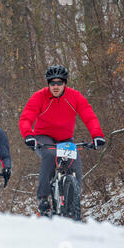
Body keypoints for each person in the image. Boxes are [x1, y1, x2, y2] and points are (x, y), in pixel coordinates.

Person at [19, 65, 106, 216]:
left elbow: (89, 116)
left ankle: (73, 204)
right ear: (48, 84)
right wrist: (28, 135)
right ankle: (43, 198)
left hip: (65, 139)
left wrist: (97, 135)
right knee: (50, 156)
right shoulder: (39, 97)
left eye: (59, 83)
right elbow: (26, 117)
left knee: (75, 163)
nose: (56, 86)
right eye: (52, 83)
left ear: (65, 83)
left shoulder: (75, 97)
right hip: (42, 137)